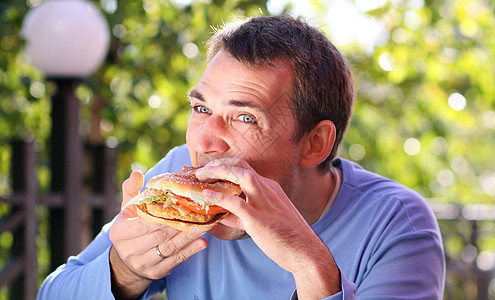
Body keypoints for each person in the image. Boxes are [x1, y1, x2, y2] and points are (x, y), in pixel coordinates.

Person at [37, 15, 445, 299]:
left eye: (245, 117)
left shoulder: (398, 225)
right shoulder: (181, 179)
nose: (207, 140)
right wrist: (125, 271)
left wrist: (310, 266)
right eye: (200, 109)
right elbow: (52, 293)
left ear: (315, 143)